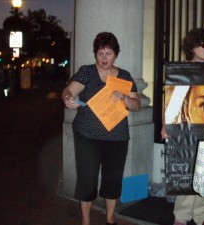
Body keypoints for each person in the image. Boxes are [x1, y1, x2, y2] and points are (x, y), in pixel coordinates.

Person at [62, 32, 141, 225]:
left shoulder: (124, 76)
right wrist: (67, 98)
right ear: (95, 54)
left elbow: (136, 106)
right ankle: (86, 221)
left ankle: (110, 218)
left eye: (109, 53)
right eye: (100, 53)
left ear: (116, 54)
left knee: (113, 178)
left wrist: (124, 97)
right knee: (87, 178)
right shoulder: (87, 72)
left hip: (117, 136)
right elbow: (68, 90)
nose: (104, 58)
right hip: (87, 134)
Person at [161, 28, 204, 225]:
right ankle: (182, 216)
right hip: (186, 125)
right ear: (192, 47)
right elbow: (172, 99)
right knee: (186, 169)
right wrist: (165, 125)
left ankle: (202, 215)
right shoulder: (182, 69)